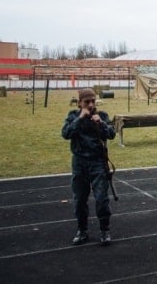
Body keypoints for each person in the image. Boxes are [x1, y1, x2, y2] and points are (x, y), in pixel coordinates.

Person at [61, 88, 116, 246]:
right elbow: (65, 133)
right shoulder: (73, 116)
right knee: (79, 199)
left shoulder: (102, 116)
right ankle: (82, 230)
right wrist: (79, 119)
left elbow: (112, 134)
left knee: (101, 199)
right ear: (79, 103)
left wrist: (101, 123)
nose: (91, 105)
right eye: (87, 102)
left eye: (93, 101)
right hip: (79, 163)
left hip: (98, 163)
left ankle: (105, 230)